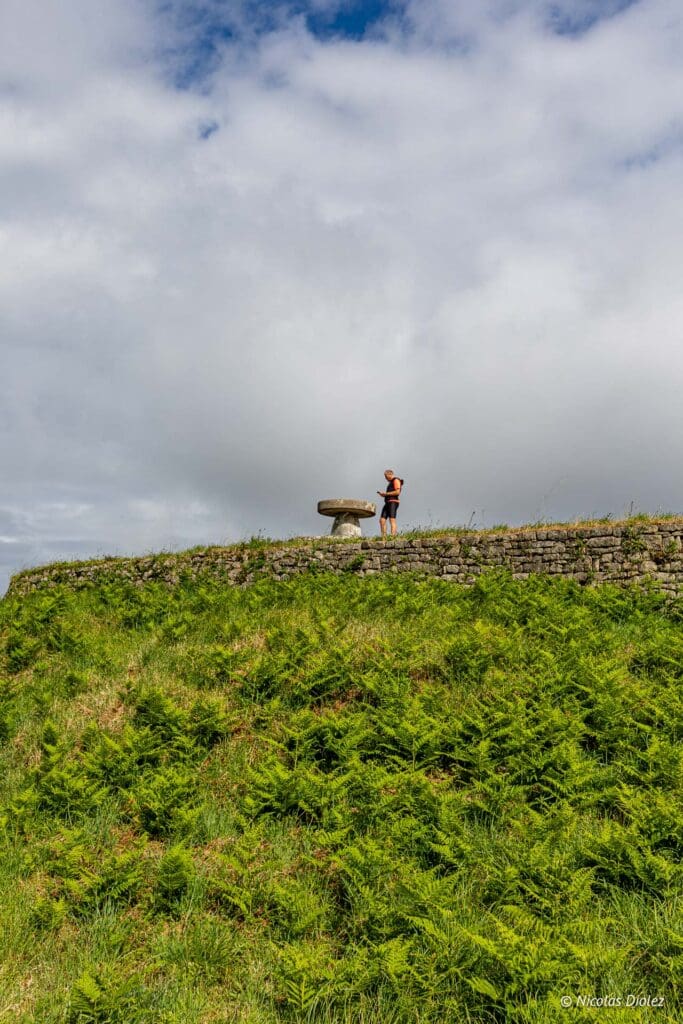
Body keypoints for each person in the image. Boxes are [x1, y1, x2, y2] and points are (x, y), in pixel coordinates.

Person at [377, 469, 403, 539]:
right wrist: (384, 495)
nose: (385, 478)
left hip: (393, 502)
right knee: (382, 520)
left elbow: (397, 492)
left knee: (392, 520)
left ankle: (393, 537)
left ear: (390, 474)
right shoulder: (390, 482)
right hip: (387, 502)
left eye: (386, 476)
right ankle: (384, 537)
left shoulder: (396, 480)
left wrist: (386, 494)